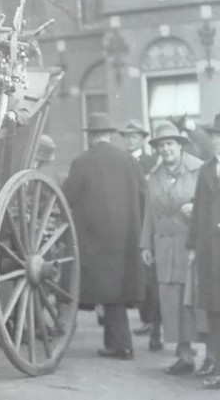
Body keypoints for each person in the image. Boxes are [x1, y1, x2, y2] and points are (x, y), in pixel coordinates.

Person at [62, 112, 145, 360]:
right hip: (126, 237)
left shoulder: (82, 162)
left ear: (91, 136)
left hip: (94, 241)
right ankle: (118, 344)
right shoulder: (129, 161)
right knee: (116, 291)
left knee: (106, 289)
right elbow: (143, 195)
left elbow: (67, 198)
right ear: (109, 134)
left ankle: (120, 344)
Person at [140, 121, 206, 375]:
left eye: (170, 144)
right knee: (170, 301)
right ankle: (184, 353)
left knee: (190, 300)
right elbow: (148, 213)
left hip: (189, 246)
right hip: (164, 247)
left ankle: (200, 354)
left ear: (180, 145)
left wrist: (196, 209)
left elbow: (212, 204)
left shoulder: (198, 170)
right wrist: (146, 244)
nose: (166, 149)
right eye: (161, 145)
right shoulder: (154, 176)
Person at [118, 119, 162, 348]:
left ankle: (153, 322)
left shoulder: (153, 161)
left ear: (144, 139)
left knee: (149, 276)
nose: (131, 140)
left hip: (148, 220)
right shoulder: (121, 161)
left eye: (135, 136)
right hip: (128, 222)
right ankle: (146, 318)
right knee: (136, 273)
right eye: (127, 136)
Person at [187, 113, 220, 389]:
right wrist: (192, 247)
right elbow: (198, 210)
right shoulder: (207, 169)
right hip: (210, 252)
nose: (219, 142)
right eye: (216, 137)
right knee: (213, 309)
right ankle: (218, 368)